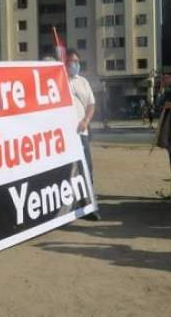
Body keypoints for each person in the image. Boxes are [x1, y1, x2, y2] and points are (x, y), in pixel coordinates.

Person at [66, 49, 100, 221]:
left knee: (86, 169)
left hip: (81, 133)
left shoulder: (83, 82)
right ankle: (68, 209)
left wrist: (86, 120)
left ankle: (89, 206)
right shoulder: (58, 80)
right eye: (71, 61)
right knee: (68, 172)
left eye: (77, 61)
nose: (75, 64)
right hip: (64, 137)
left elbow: (91, 105)